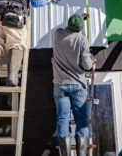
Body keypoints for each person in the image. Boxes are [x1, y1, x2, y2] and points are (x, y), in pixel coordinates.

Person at [52, 14, 93, 156]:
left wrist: (78, 19)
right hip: (77, 85)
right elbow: (87, 65)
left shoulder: (57, 34)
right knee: (81, 119)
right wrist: (91, 60)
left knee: (63, 118)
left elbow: (67, 31)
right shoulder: (82, 39)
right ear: (80, 28)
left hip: (60, 84)